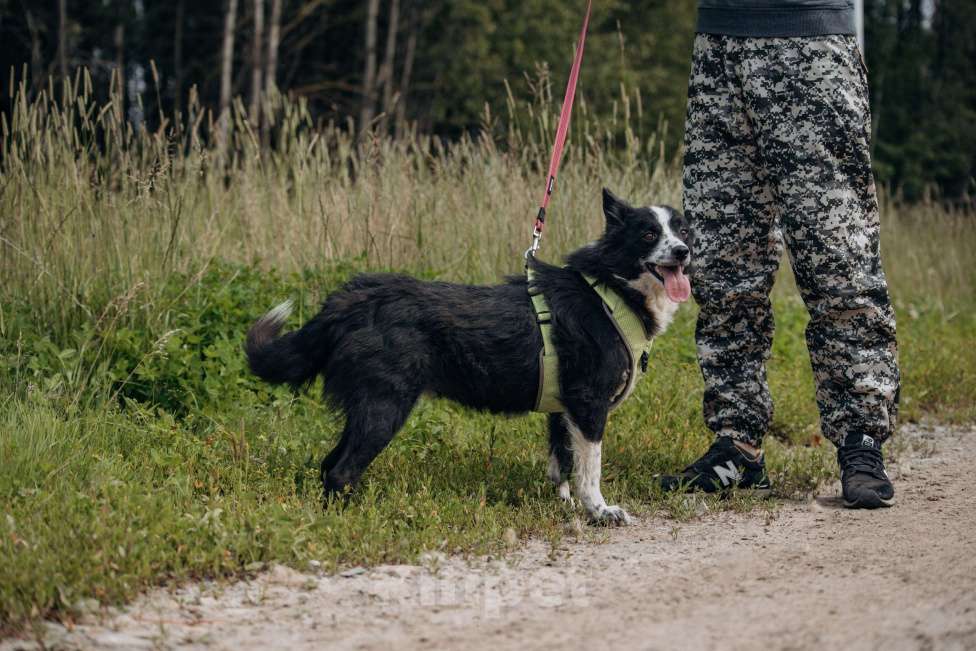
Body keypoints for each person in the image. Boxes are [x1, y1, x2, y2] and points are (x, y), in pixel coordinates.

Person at [660, 0, 900, 508]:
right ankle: (737, 445)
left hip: (810, 46)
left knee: (837, 260)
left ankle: (861, 441)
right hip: (719, 50)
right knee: (723, 267)